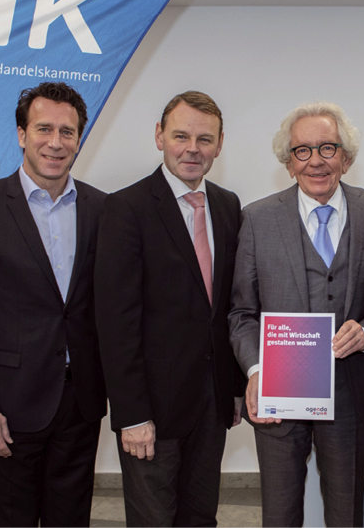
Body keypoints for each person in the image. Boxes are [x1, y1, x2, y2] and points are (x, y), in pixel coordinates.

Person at [228, 101, 364, 527]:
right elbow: (242, 312)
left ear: (346, 157)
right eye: (302, 150)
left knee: (346, 516)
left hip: (349, 393)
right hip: (279, 394)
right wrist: (256, 370)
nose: (315, 161)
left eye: (327, 148)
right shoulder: (257, 219)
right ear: (288, 163)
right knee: (279, 516)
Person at [0, 82, 106, 526]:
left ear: (79, 139)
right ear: (21, 134)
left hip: (80, 403)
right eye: (43, 129)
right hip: (8, 406)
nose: (56, 142)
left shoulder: (102, 209)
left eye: (67, 131)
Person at [94, 91, 243, 526]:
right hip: (152, 411)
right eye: (181, 136)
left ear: (219, 145)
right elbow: (115, 322)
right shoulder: (126, 208)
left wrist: (233, 387)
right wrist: (131, 415)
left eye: (204, 139)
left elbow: (228, 307)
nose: (192, 149)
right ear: (159, 136)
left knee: (201, 518)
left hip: (211, 405)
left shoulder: (228, 206)